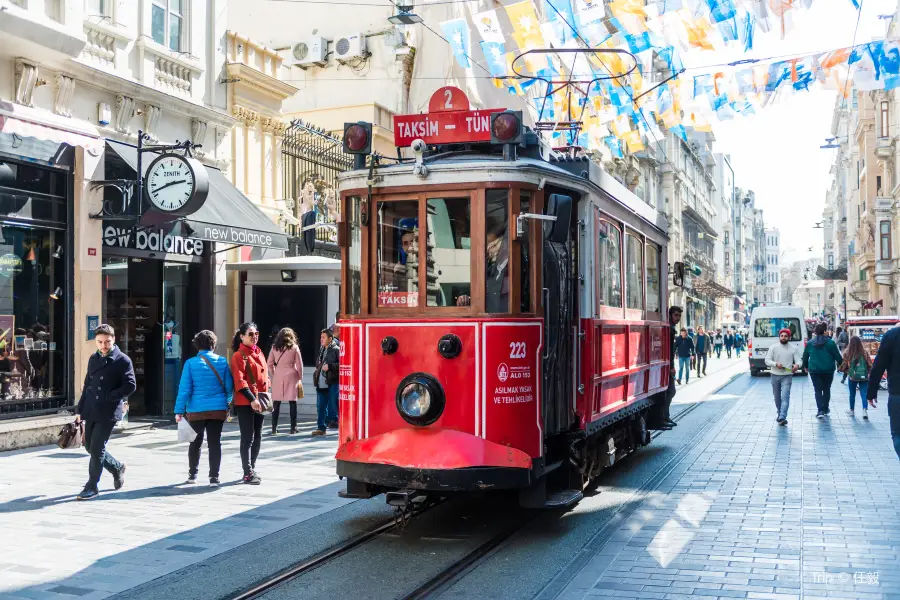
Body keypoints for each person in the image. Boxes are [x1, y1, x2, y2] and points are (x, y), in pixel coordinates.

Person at [74, 324, 135, 500]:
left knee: (98, 447)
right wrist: (80, 410)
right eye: (100, 342)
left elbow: (130, 385)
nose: (103, 346)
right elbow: (87, 385)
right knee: (89, 446)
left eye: (107, 342)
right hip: (92, 408)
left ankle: (92, 486)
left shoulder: (123, 360)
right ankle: (117, 468)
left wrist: (112, 395)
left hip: (108, 410)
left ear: (113, 339)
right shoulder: (93, 358)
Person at [174, 330, 232, 487]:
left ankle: (193, 475)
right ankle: (214, 477)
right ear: (213, 344)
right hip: (217, 409)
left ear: (196, 345)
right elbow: (229, 387)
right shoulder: (222, 361)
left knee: (195, 441)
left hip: (196, 410)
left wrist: (179, 411)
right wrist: (227, 402)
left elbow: (184, 389)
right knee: (215, 442)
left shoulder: (190, 363)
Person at [230, 322, 269, 485]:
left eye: (257, 333)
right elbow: (240, 382)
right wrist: (252, 399)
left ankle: (251, 468)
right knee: (247, 437)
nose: (255, 337)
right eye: (251, 334)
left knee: (258, 435)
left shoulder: (259, 352)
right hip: (246, 402)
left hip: (260, 400)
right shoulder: (238, 356)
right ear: (242, 336)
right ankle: (247, 472)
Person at [866, 321, 900, 459]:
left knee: (897, 433)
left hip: (897, 393)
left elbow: (878, 366)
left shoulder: (892, 336)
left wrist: (871, 391)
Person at [803, 322, 844, 419]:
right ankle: (825, 408)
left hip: (814, 370)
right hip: (828, 370)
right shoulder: (830, 343)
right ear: (824, 331)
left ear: (815, 332)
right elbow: (837, 356)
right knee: (826, 389)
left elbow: (805, 357)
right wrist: (841, 364)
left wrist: (806, 366)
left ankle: (820, 410)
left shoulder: (810, 343)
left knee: (817, 390)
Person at [267, 327, 304, 435]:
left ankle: (274, 428)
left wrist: (274, 373)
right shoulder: (294, 347)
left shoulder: (274, 347)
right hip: (292, 374)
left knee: (276, 403)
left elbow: (269, 363)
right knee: (293, 402)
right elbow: (300, 365)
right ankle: (293, 427)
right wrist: (299, 377)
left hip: (278, 375)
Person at [764, 328, 802, 426]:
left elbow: (799, 360)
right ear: (779, 337)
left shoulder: (794, 348)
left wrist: (797, 365)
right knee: (777, 397)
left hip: (787, 376)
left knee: (785, 397)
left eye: (786, 336)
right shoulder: (773, 347)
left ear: (789, 337)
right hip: (774, 375)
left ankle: (782, 416)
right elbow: (767, 360)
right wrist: (775, 364)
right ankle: (779, 412)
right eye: (782, 336)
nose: (783, 337)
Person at [313, 329, 340, 436]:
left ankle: (334, 423)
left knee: (333, 406)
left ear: (330, 339)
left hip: (331, 383)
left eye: (323, 337)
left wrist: (330, 366)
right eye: (321, 337)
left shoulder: (336, 349)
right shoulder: (322, 349)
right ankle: (321, 428)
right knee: (320, 406)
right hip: (321, 383)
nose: (321, 339)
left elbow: (343, 364)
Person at [842, 336, 872, 419]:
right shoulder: (864, 352)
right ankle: (865, 411)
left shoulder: (847, 352)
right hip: (864, 376)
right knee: (864, 393)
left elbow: (844, 365)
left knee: (852, 393)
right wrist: (868, 372)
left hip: (852, 376)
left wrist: (848, 372)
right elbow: (869, 364)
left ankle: (852, 410)